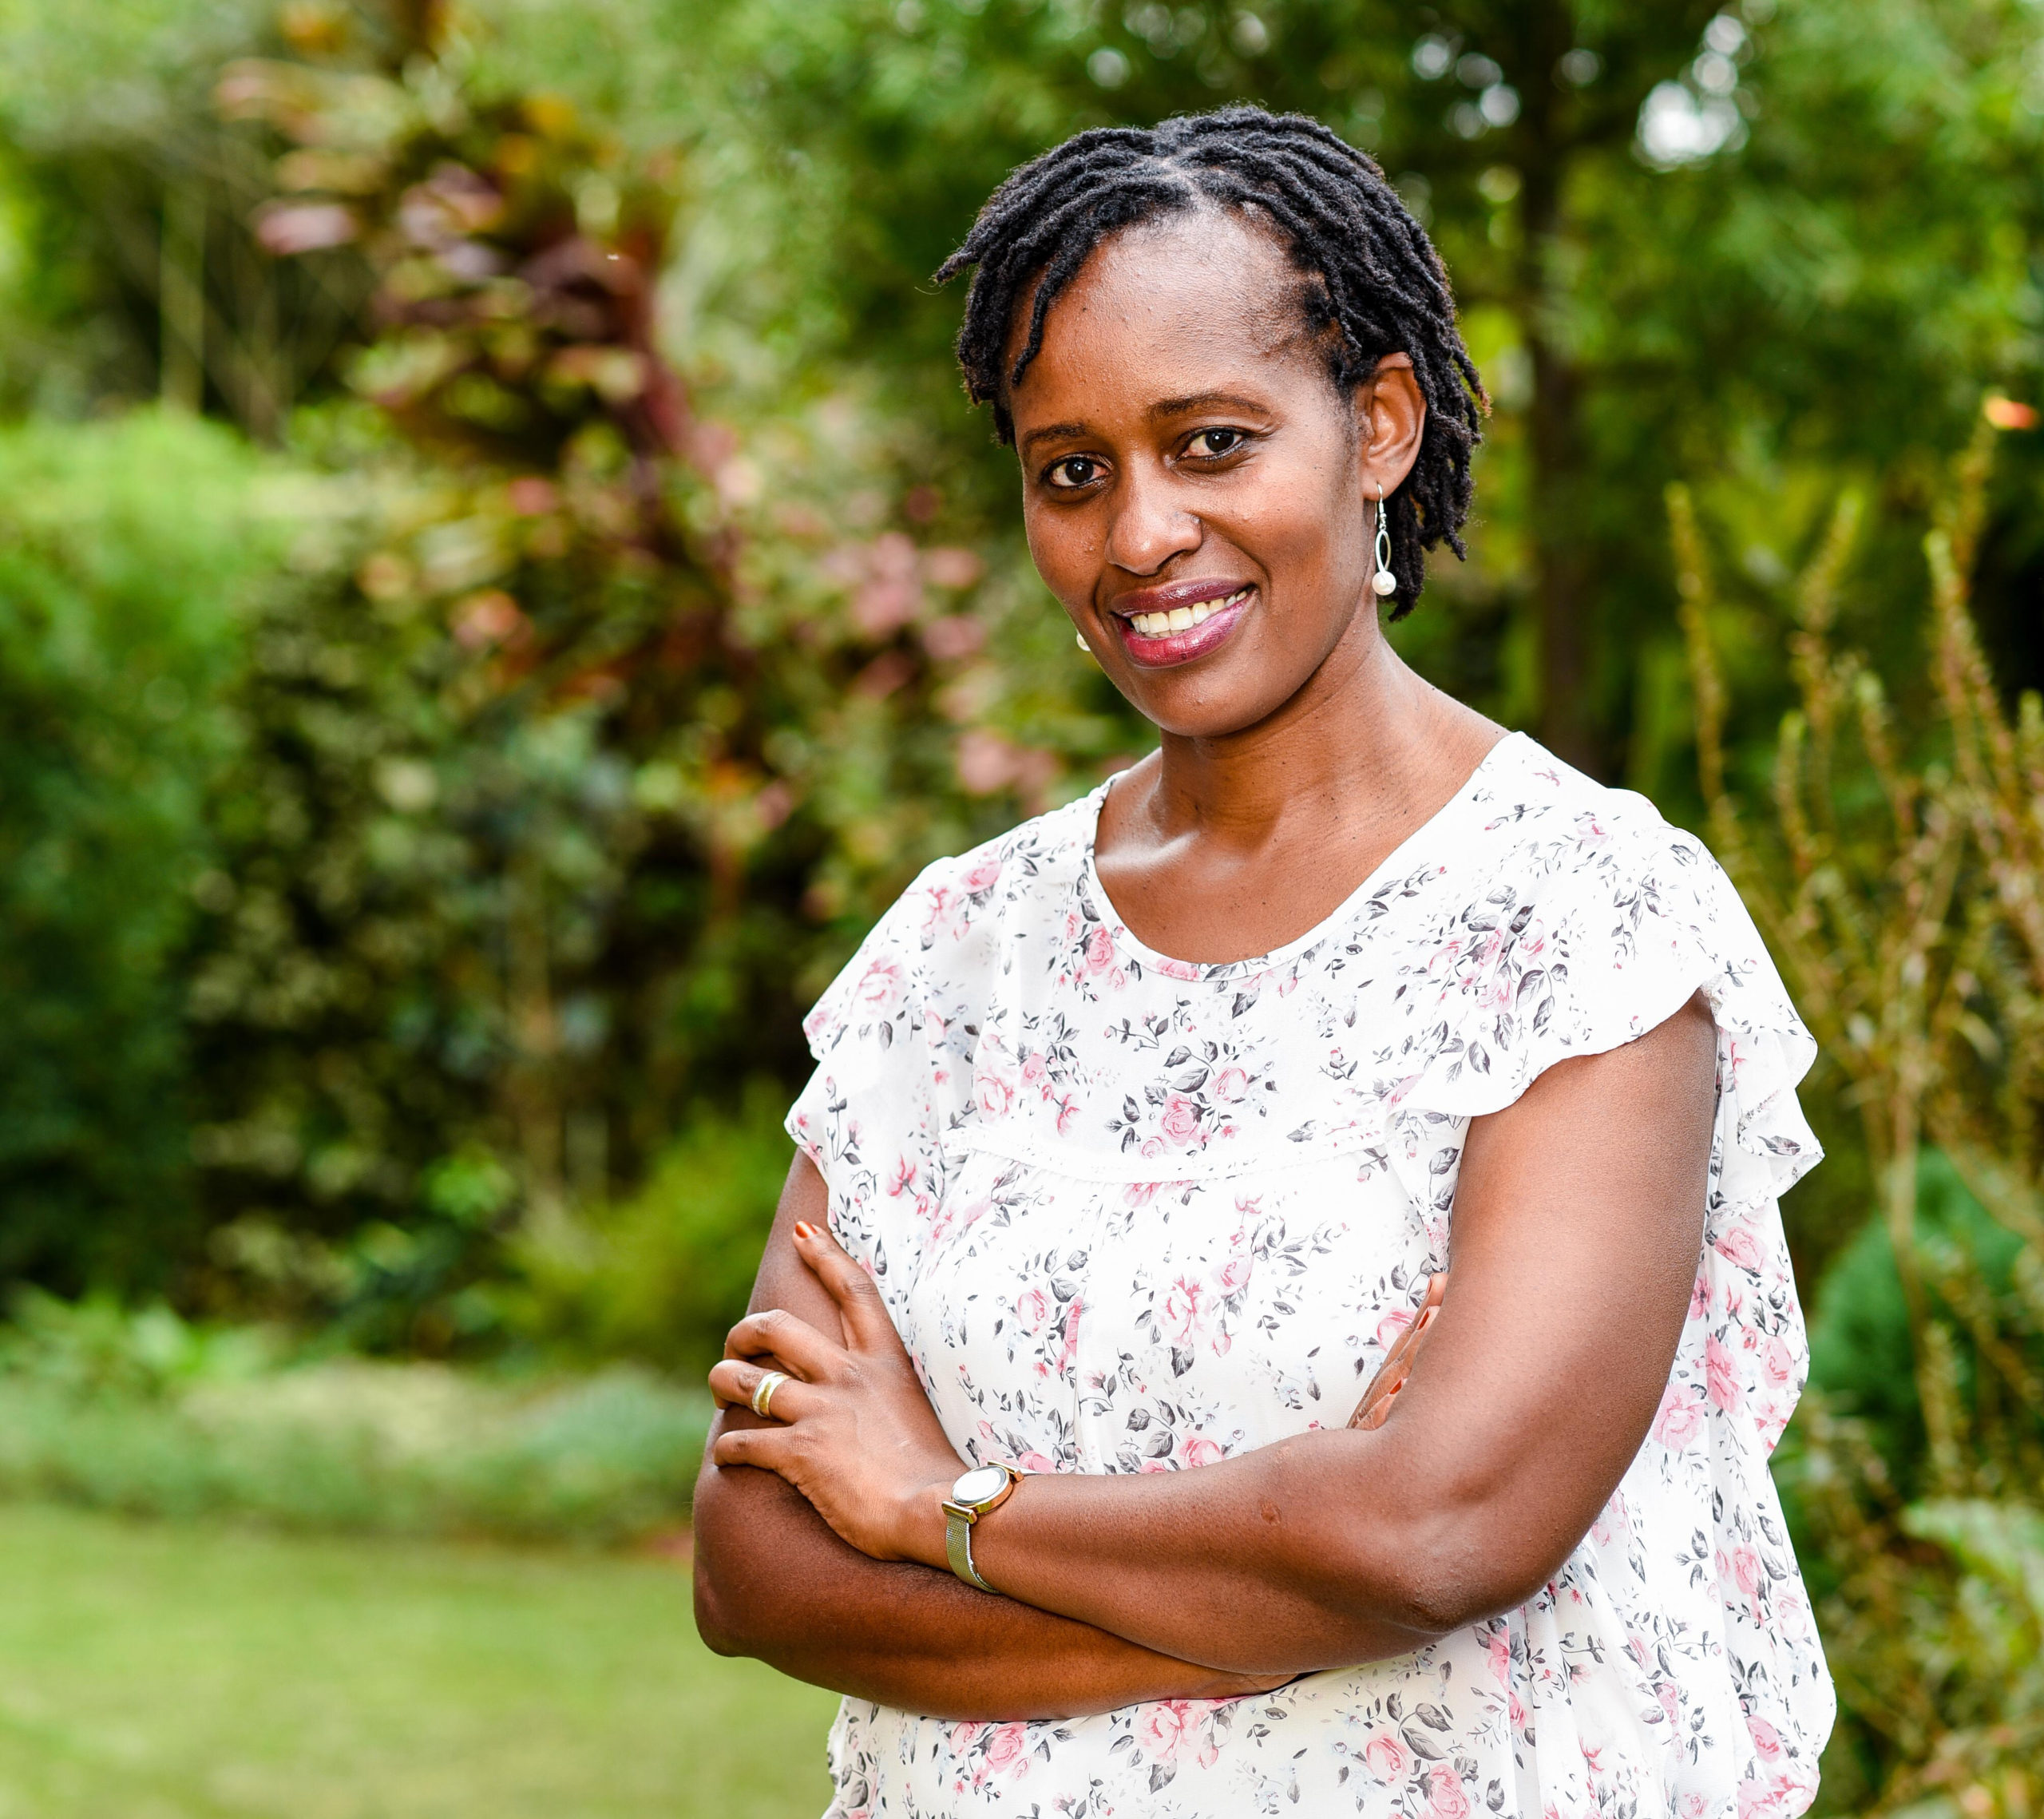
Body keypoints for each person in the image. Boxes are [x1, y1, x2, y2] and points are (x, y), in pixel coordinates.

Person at [692, 106, 1833, 1819]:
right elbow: (755, 1563)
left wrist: (942, 1507)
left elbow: (1441, 1529)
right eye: (1071, 470)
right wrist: (1276, 1596)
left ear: (1378, 425)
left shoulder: (1576, 918)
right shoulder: (957, 957)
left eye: (1211, 442)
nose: (1141, 532)